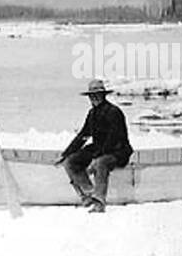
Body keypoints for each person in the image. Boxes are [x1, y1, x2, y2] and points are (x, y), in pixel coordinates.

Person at [56, 78, 133, 213]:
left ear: (103, 95)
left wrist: (96, 158)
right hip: (99, 149)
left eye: (97, 95)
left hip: (118, 151)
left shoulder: (114, 112)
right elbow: (82, 136)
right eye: (92, 96)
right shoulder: (92, 114)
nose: (94, 98)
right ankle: (88, 194)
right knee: (70, 162)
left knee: (100, 163)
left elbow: (113, 138)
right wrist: (65, 154)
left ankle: (100, 202)